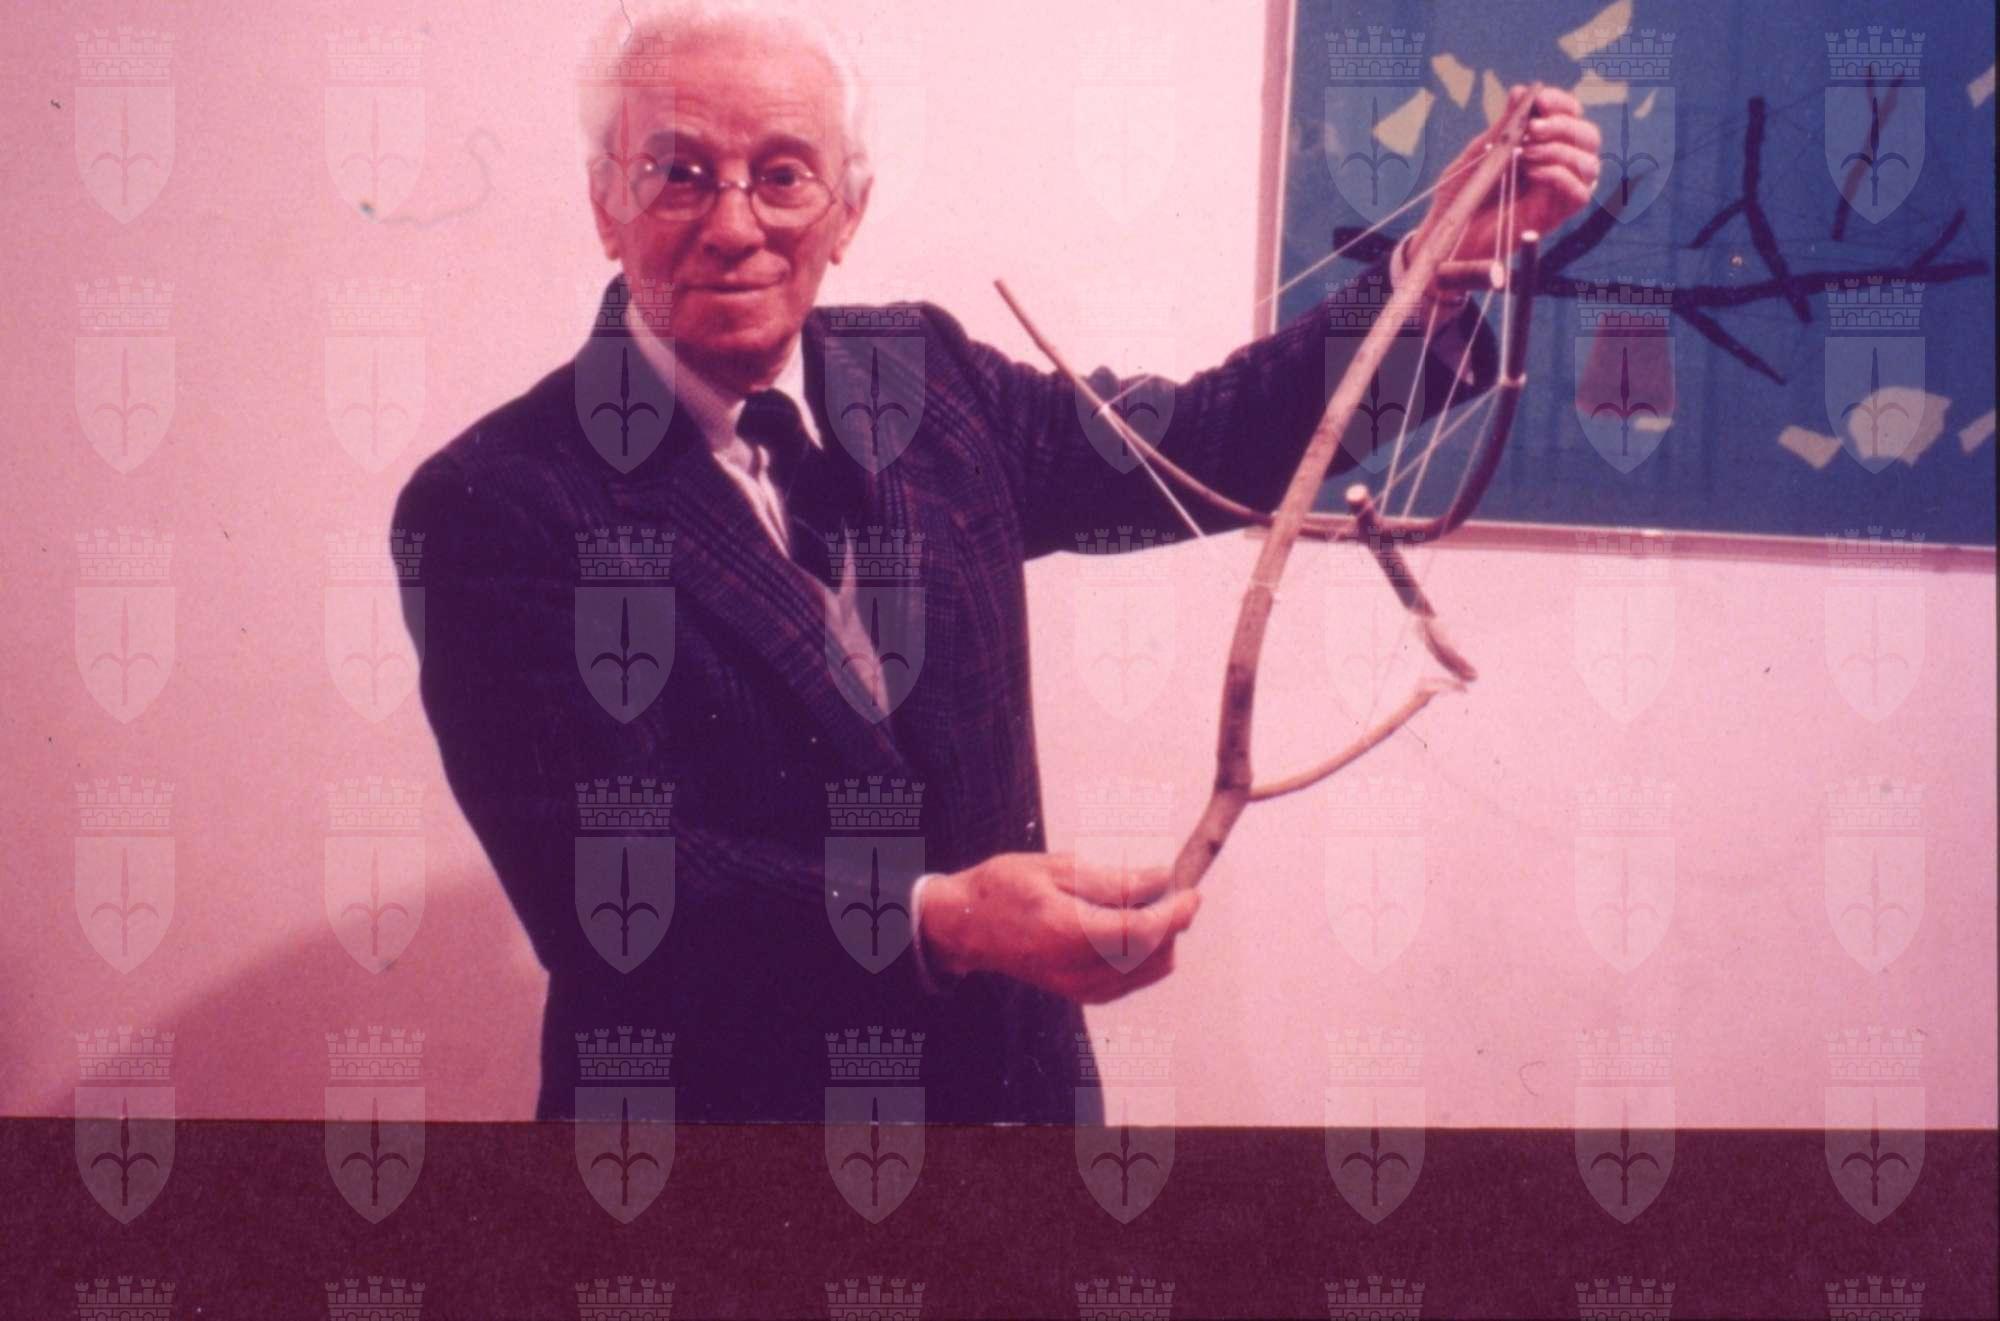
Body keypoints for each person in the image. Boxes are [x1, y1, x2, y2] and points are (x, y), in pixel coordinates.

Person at [393, 1, 1599, 1123]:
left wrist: (1431, 275)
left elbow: (1193, 452)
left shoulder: (919, 374)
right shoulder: (496, 501)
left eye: (783, 174)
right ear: (604, 204)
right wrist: (942, 921)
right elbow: (604, 886)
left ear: (847, 211)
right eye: (677, 173)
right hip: (718, 1161)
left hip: (1013, 1114)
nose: (734, 224)